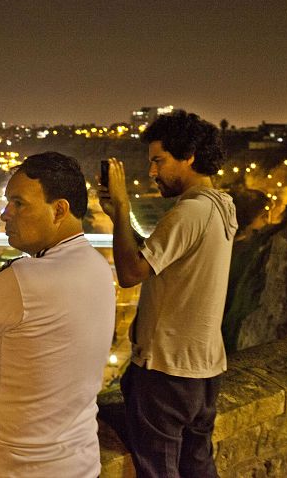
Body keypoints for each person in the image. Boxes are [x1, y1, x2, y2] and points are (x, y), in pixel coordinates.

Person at [0, 151, 116, 478]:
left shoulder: (23, 279)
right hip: (80, 461)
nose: (5, 214)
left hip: (23, 468)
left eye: (19, 204)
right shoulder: (98, 267)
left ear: (59, 209)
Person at [98, 112, 237, 478]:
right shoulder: (221, 205)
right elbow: (159, 259)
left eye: (159, 161)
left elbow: (131, 273)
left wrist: (124, 206)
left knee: (158, 469)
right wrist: (119, 222)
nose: (153, 172)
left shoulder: (189, 211)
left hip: (167, 371)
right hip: (203, 370)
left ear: (189, 155)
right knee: (197, 464)